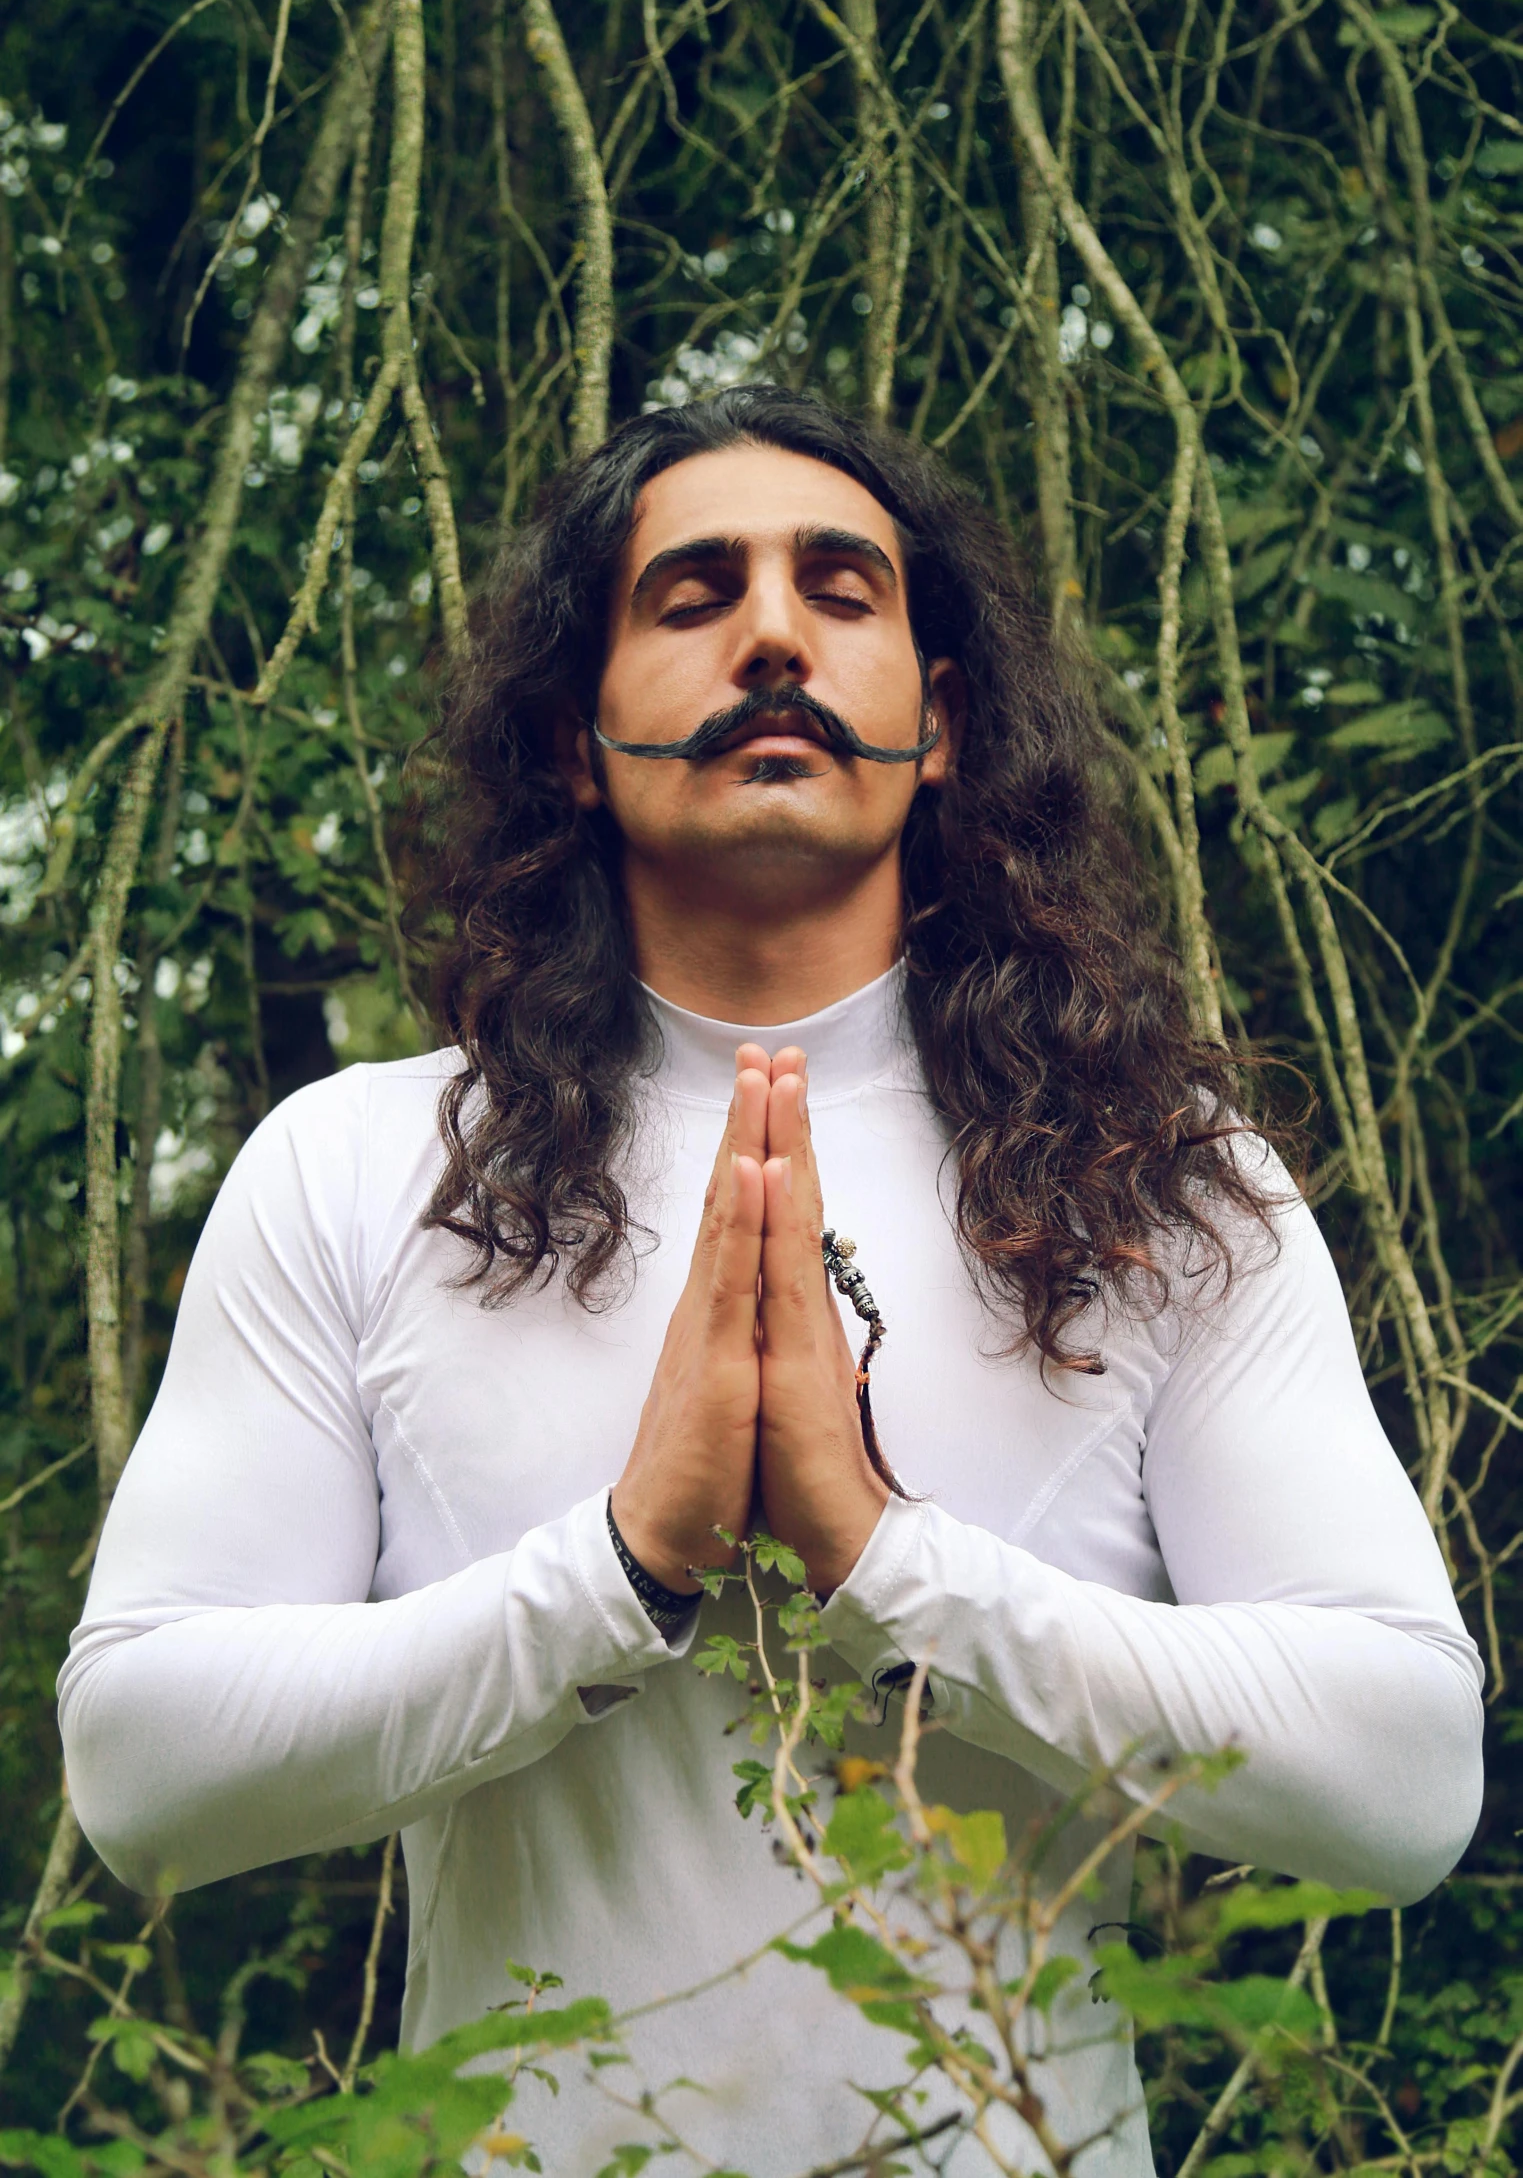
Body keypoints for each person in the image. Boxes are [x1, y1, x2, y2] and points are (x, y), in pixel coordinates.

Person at [59, 389, 1482, 2176]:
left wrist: (891, 1566)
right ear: (577, 740)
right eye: (690, 595)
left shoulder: (1163, 1188)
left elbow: (1406, 1781)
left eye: (839, 587)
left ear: (938, 720)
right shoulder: (358, 1170)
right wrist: (617, 1569)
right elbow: (143, 1775)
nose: (772, 637)